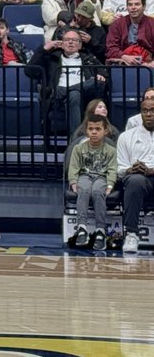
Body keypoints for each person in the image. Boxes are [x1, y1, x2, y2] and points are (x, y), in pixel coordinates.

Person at [67, 116, 116, 250]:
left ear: (105, 131)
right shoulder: (78, 148)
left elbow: (112, 169)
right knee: (84, 190)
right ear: (86, 130)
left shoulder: (111, 151)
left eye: (98, 129)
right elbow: (73, 168)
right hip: (84, 176)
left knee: (97, 192)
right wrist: (73, 183)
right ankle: (82, 228)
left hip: (101, 177)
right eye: (91, 129)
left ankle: (100, 230)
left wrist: (110, 185)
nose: (94, 132)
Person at [115, 97, 154, 253]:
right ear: (141, 113)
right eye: (145, 111)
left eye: (152, 110)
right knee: (135, 181)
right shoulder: (126, 137)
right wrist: (130, 170)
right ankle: (131, 233)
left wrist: (151, 170)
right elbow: (119, 169)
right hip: (139, 178)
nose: (149, 114)